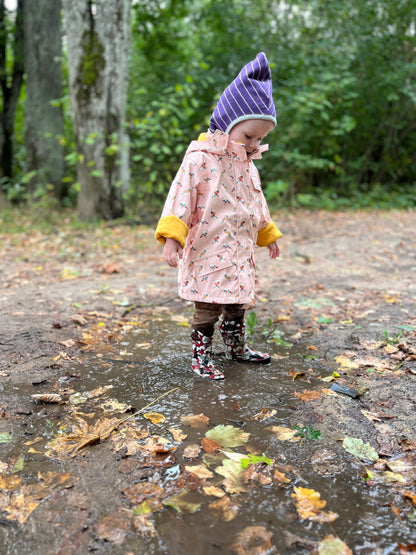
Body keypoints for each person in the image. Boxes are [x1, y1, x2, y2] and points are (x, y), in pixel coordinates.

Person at [155, 52, 282, 380]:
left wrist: (266, 234)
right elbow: (181, 198)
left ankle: (237, 346)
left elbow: (256, 202)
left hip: (238, 251)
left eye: (260, 139)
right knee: (208, 305)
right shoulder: (200, 160)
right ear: (227, 124)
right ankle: (201, 354)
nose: (254, 144)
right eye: (249, 136)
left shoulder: (248, 165)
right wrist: (172, 238)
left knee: (237, 303)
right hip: (208, 249)